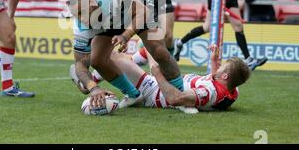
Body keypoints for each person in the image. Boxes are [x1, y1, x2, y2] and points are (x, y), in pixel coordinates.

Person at [67, 0, 186, 107]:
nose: (82, 19)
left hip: (142, 6)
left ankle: (182, 96)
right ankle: (133, 96)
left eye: (82, 12)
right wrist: (93, 87)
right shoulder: (80, 27)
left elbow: (143, 12)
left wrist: (126, 35)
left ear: (91, 2)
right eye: (76, 15)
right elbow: (80, 64)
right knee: (97, 61)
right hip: (112, 20)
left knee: (158, 51)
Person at [70, 44, 250, 112]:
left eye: (222, 67)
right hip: (160, 85)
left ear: (225, 75)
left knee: (113, 56)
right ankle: (91, 79)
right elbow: (215, 84)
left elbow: (176, 98)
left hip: (154, 91)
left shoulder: (208, 92)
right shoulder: (233, 90)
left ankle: (89, 83)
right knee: (141, 52)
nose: (218, 68)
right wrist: (213, 62)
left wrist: (157, 73)